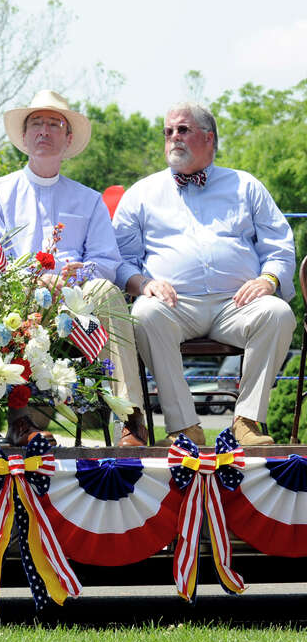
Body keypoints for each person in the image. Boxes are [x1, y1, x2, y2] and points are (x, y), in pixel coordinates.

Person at [113, 102, 296, 447]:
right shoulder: (142, 193)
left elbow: (280, 246)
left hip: (237, 304)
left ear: (209, 138)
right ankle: (184, 427)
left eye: (183, 130)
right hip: (173, 306)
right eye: (168, 131)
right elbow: (121, 261)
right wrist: (145, 284)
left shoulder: (246, 186)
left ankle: (247, 422)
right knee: (144, 313)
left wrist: (268, 280)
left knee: (278, 313)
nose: (174, 137)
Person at [0, 90, 148, 446]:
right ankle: (22, 422)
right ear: (24, 136)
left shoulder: (89, 199)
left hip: (76, 300)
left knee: (105, 290)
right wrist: (35, 279)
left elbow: (107, 262)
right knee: (2, 300)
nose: (44, 131)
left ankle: (130, 417)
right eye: (36, 123)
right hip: (17, 296)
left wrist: (74, 277)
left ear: (68, 139)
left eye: (54, 124)